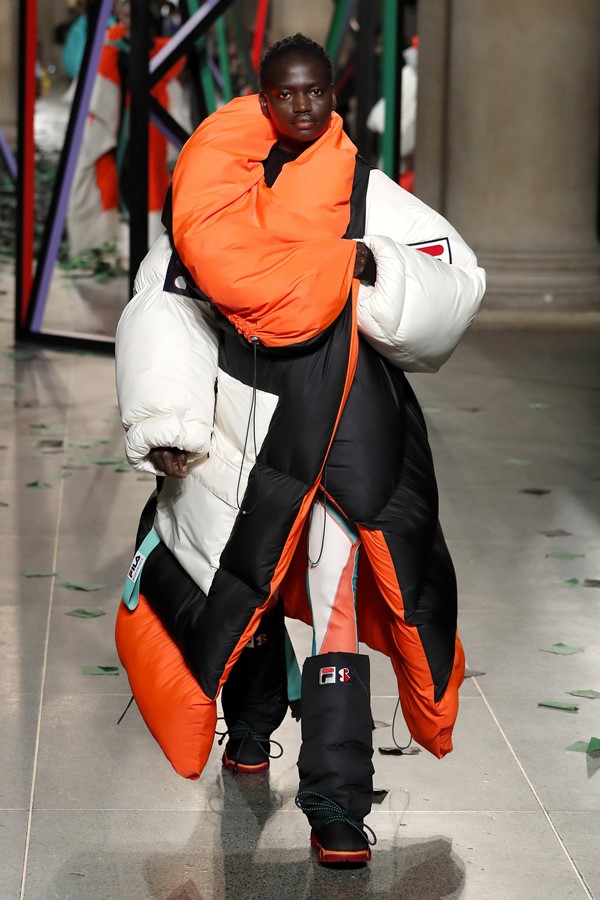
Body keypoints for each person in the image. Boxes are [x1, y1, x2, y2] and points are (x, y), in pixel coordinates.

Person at [115, 34, 486, 866]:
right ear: (263, 97)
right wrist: (166, 419)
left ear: (332, 96)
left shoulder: (366, 191)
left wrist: (370, 266)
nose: (308, 108)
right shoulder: (215, 183)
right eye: (290, 95)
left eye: (319, 93)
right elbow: (164, 297)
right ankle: (249, 726)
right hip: (235, 431)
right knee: (241, 584)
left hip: (345, 433)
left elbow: (453, 275)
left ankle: (337, 803)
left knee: (338, 609)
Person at [67, 0, 185, 258]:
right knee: (123, 181)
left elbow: (170, 79)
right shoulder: (109, 42)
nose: (129, 9)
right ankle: (128, 243)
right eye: (123, 3)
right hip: (119, 125)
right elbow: (96, 86)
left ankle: (152, 247)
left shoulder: (162, 48)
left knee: (151, 182)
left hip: (151, 128)